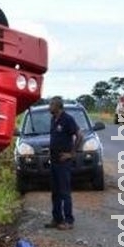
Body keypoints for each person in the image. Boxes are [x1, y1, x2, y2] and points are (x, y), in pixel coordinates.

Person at [46, 96, 78, 230]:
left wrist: (71, 153)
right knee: (55, 192)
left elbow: (79, 135)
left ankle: (69, 220)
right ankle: (57, 219)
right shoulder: (53, 119)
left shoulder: (67, 119)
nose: (49, 107)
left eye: (51, 104)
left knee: (64, 192)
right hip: (53, 161)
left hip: (63, 162)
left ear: (58, 106)